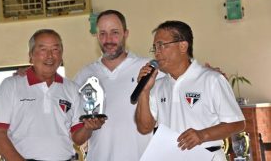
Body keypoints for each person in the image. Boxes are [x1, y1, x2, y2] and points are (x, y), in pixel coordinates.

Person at [135, 20, 245, 160]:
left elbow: (237, 123)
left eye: (162, 45)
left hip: (207, 155)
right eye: (154, 47)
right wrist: (144, 91)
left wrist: (202, 135)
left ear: (183, 46)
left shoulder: (211, 79)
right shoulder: (157, 86)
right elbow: (144, 128)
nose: (157, 52)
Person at [0, 29, 105, 161]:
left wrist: (88, 127)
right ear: (30, 55)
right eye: (43, 49)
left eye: (56, 50)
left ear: (61, 56)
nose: (50, 56)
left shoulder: (71, 88)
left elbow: (78, 139)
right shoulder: (11, 85)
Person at [73, 10, 157, 161]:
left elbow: (180, 81)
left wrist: (211, 72)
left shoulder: (148, 69)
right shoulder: (83, 76)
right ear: (97, 36)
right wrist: (88, 127)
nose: (108, 39)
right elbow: (77, 137)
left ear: (126, 33)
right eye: (102, 33)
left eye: (115, 32)